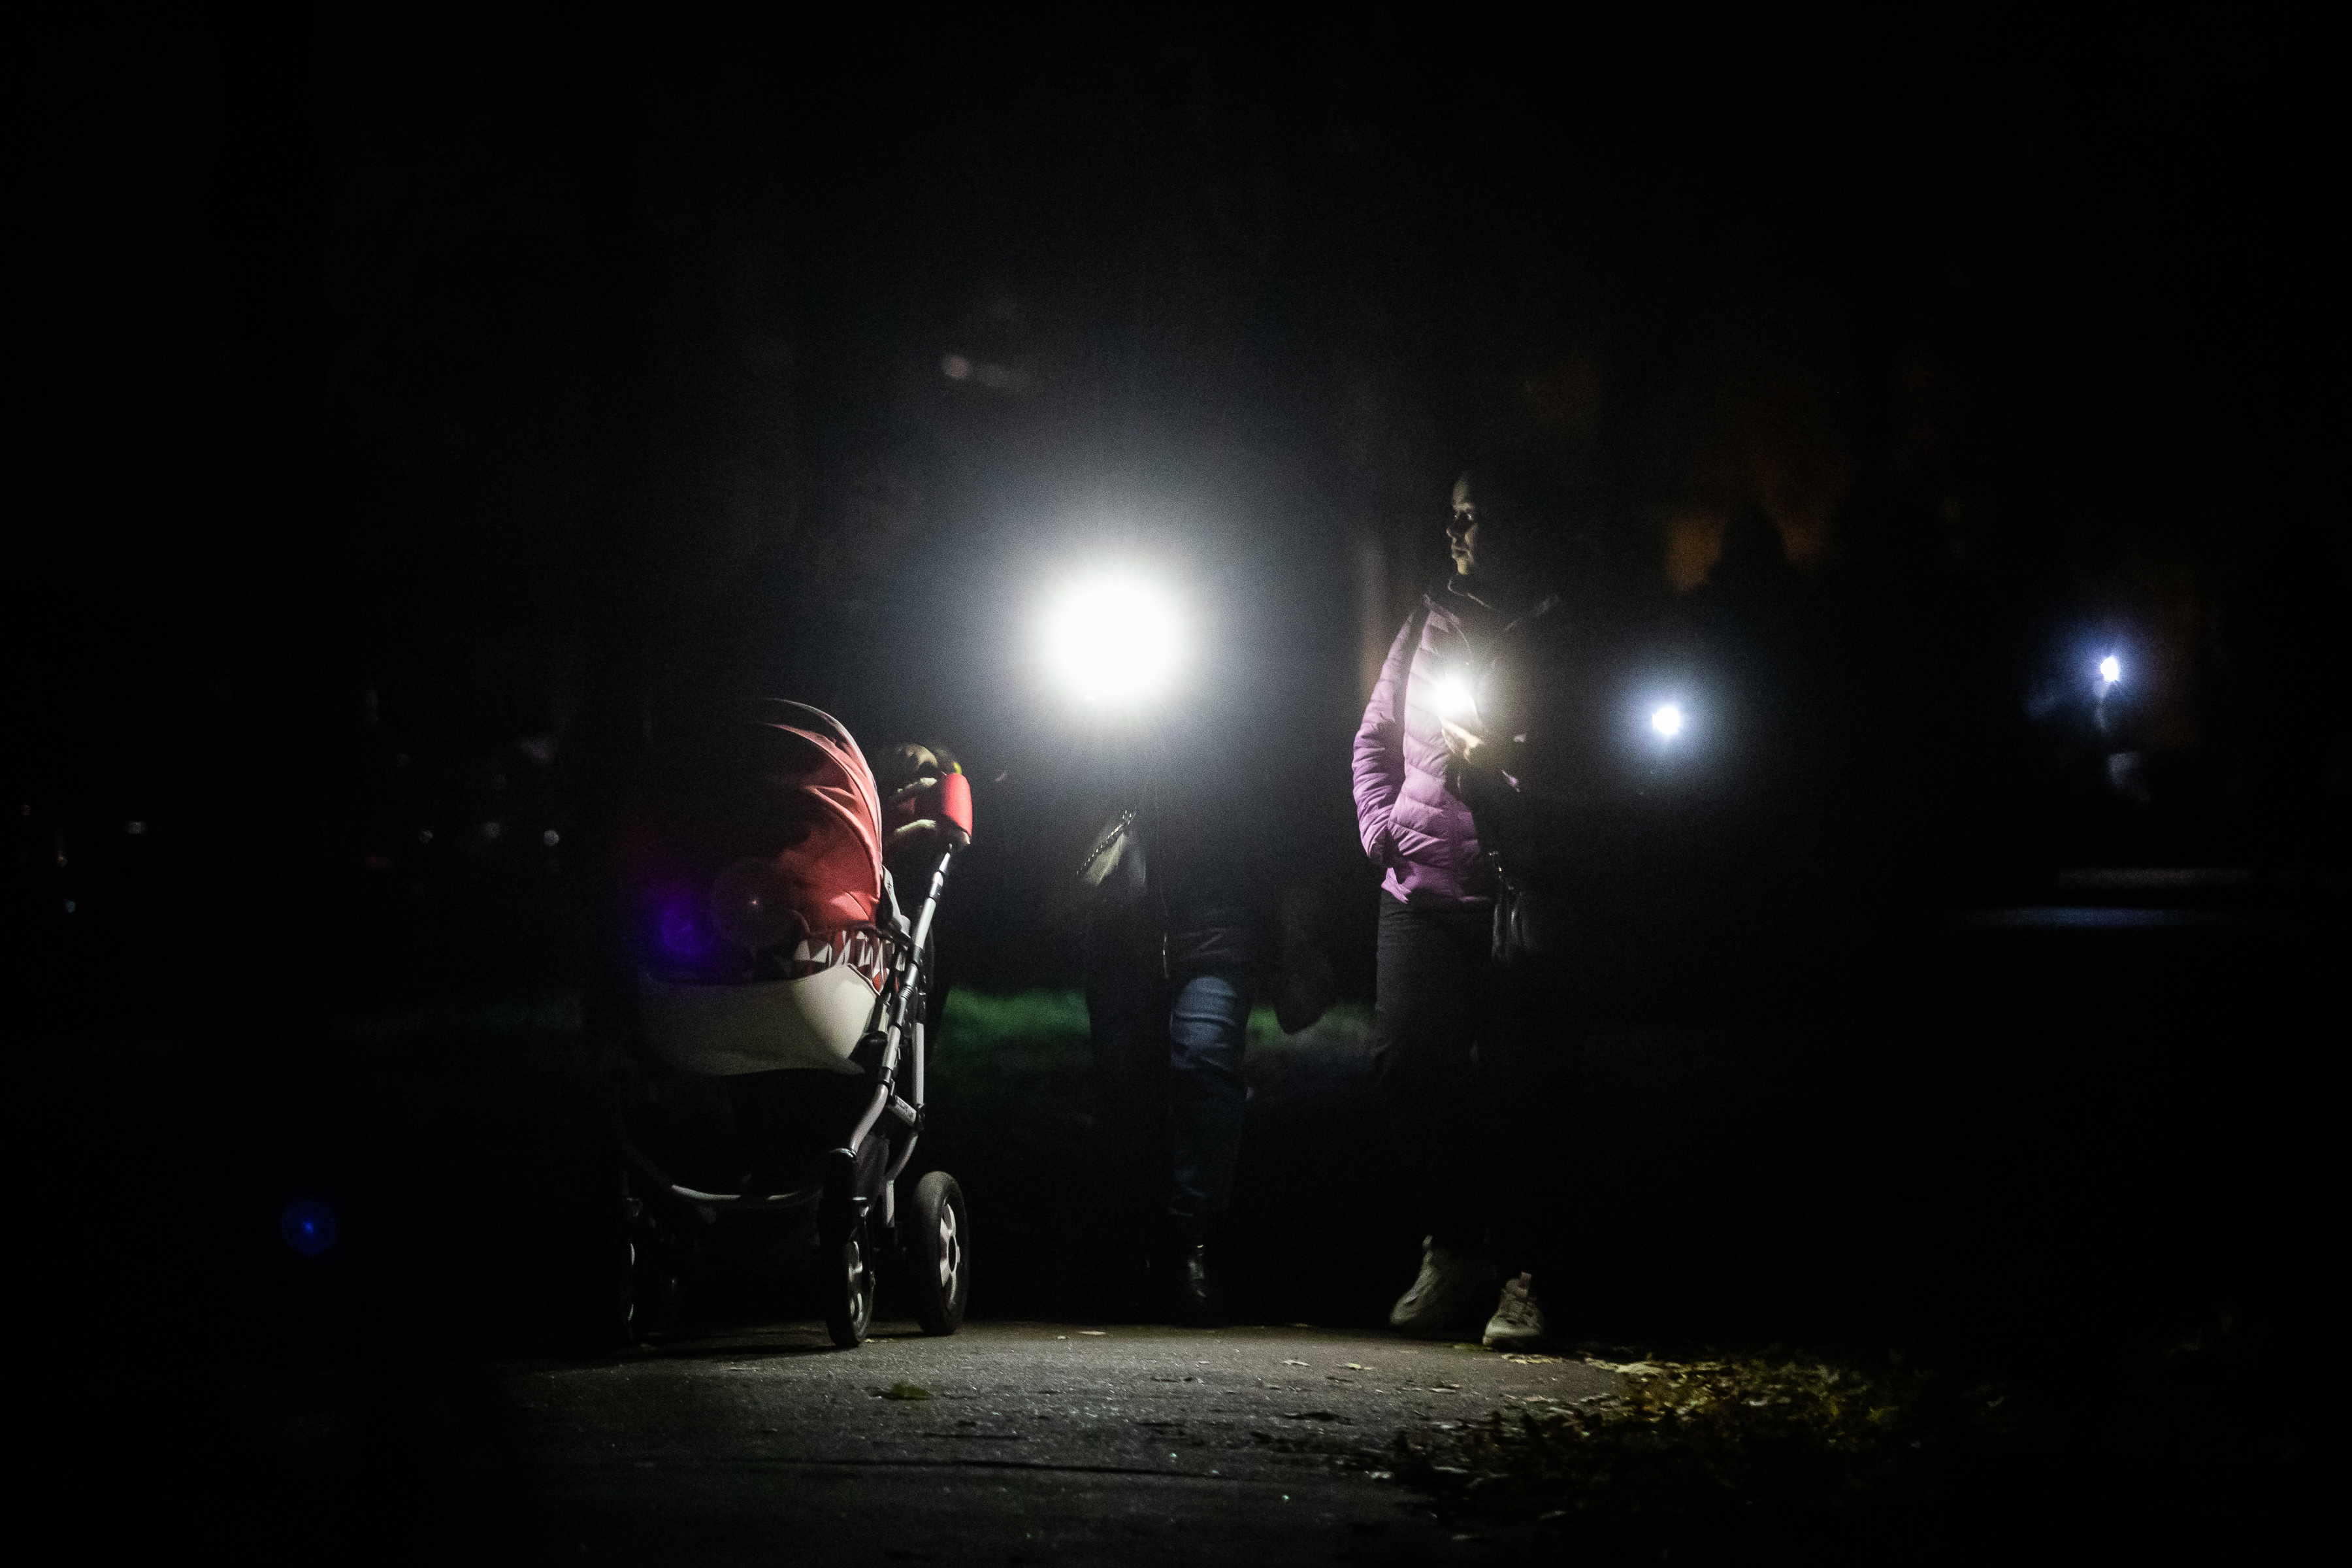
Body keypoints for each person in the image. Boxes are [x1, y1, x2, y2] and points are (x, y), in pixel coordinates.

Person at [1352, 459, 1592, 1350]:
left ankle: (1527, 1270)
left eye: (1475, 516)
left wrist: (1504, 764)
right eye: (1454, 515)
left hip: (1518, 886)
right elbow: (1375, 736)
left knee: (1527, 1084)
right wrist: (1381, 828)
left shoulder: (1563, 630)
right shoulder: (1427, 620)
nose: (1456, 531)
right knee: (1406, 1064)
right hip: (1421, 884)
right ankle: (1453, 1249)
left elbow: (1590, 756)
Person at [1077, 715, 1275, 1326]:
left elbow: (1276, 807)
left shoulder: (1236, 710)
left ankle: (1195, 1244)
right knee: (1123, 1083)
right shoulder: (1099, 711)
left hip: (1216, 922)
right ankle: (1133, 1247)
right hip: (1125, 932)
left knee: (1204, 1062)